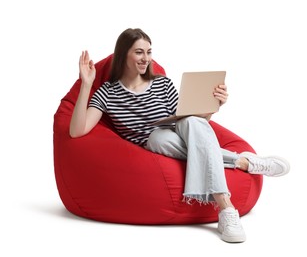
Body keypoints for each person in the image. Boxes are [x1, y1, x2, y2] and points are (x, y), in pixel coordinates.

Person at [69, 28, 290, 243]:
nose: (146, 58)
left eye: (149, 52)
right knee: (158, 138)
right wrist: (86, 85)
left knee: (193, 120)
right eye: (139, 52)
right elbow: (77, 130)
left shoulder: (162, 83)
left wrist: (214, 106)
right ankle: (241, 163)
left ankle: (226, 210)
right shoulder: (108, 93)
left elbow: (187, 117)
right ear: (123, 54)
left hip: (180, 131)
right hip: (154, 143)